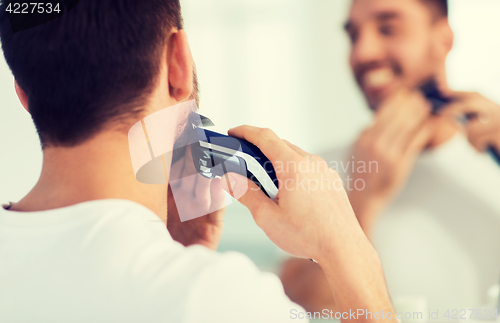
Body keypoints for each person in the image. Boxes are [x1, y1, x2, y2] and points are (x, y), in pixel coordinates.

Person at [0, 1, 397, 322]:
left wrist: (177, 261)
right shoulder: (219, 300)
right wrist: (345, 245)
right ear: (178, 64)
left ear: (24, 93)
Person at [280, 0, 500, 314]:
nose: (362, 52)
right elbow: (293, 309)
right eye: (354, 36)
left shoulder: (494, 157)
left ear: (443, 39)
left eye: (388, 28)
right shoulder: (316, 171)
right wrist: (359, 200)